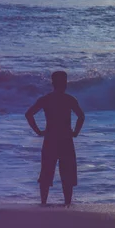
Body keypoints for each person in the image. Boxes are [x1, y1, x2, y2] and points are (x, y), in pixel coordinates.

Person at [26, 71, 85, 206]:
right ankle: (67, 203)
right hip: (66, 139)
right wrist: (75, 132)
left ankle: (43, 202)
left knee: (46, 172)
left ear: (53, 83)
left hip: (50, 138)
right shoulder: (69, 99)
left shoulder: (46, 99)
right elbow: (81, 116)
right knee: (67, 174)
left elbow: (29, 114)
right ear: (65, 84)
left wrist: (38, 132)